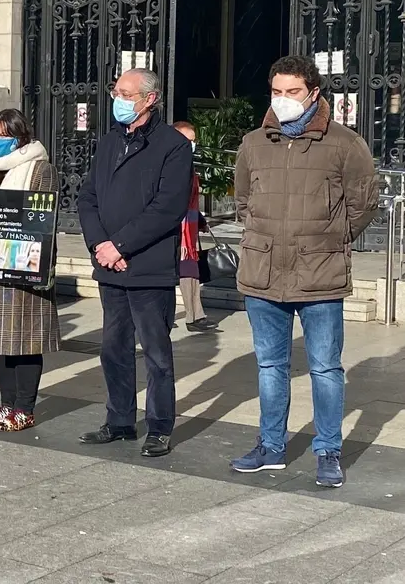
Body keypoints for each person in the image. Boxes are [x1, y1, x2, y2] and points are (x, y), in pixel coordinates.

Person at [230, 55, 379, 488]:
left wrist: (329, 238)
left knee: (325, 368)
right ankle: (271, 446)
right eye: (277, 92)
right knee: (270, 366)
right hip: (263, 273)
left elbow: (363, 203)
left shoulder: (344, 143)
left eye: (292, 92)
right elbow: (243, 200)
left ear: (313, 93)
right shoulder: (254, 142)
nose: (283, 100)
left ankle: (328, 450)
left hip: (320, 275)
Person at [75, 68, 193, 458]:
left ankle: (159, 426)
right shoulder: (109, 142)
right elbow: (88, 196)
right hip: (109, 265)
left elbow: (168, 207)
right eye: (116, 91)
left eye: (126, 93)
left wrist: (121, 245)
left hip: (148, 266)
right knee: (113, 348)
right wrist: (100, 245)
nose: (118, 98)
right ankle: (119, 419)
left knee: (157, 353)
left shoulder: (172, 145)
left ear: (149, 99)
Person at [0, 109, 61, 432]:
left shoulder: (40, 168)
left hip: (23, 266)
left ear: (21, 136)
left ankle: (24, 407)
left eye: (4, 135)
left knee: (24, 337)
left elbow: (42, 219)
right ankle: (6, 403)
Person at [173, 121, 216, 333]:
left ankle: (195, 315)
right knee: (182, 273)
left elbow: (189, 200)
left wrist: (199, 220)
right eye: (187, 140)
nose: (192, 145)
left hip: (187, 230)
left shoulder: (187, 165)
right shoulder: (168, 166)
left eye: (193, 141)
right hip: (173, 231)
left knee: (190, 272)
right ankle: (191, 316)